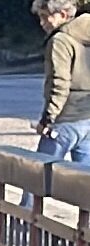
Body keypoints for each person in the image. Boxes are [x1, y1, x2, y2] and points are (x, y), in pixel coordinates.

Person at [33, 0, 90, 164]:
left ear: (63, 15)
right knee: (84, 180)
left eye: (45, 17)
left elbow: (60, 84)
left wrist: (47, 120)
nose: (42, 23)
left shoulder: (60, 40)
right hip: (87, 117)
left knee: (38, 176)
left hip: (65, 119)